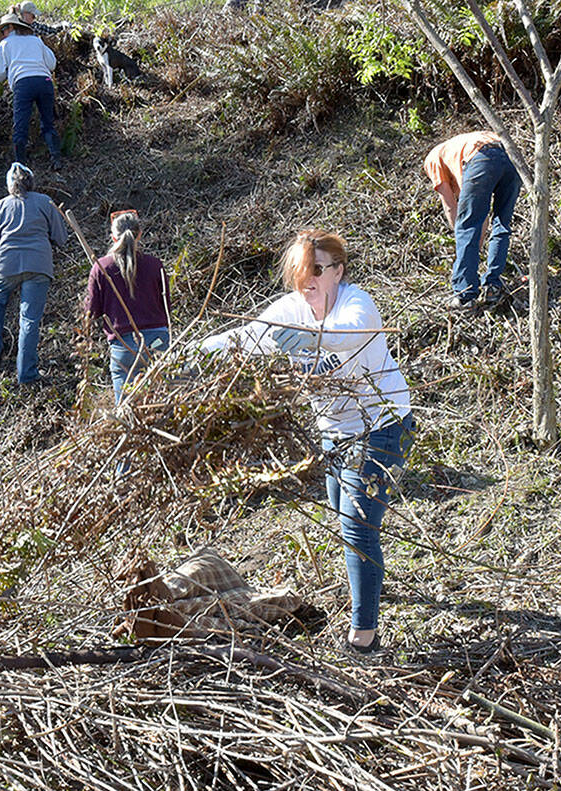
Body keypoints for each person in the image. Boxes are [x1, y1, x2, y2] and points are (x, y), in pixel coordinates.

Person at [200, 230, 413, 655]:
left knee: (357, 529)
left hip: (381, 425)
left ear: (338, 270)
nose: (308, 279)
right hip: (335, 433)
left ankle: (364, 637)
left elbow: (351, 335)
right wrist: (201, 351)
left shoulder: (358, 303)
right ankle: (368, 586)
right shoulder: (293, 309)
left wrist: (316, 340)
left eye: (317, 269)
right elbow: (249, 336)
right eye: (301, 271)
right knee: (343, 515)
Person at [0, 162, 68, 385]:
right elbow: (61, 237)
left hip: (6, 264)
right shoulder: (45, 202)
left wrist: (0, 257)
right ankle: (26, 373)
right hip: (38, 265)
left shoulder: (2, 205)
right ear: (31, 181)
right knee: (29, 319)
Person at [423, 131, 522, 311]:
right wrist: (474, 244)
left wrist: (463, 242)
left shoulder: (433, 159)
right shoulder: (459, 151)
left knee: (466, 227)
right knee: (502, 224)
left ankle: (464, 295)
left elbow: (451, 206)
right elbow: (479, 216)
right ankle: (493, 287)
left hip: (481, 158)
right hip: (511, 157)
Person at [84, 210, 171, 402]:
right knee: (163, 401)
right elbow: (167, 308)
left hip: (124, 345)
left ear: (113, 237)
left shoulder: (102, 268)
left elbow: (92, 312)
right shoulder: (156, 265)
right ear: (140, 234)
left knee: (125, 410)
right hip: (158, 341)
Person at [0, 10, 61, 169]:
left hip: (23, 84)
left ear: (9, 28)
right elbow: (52, 64)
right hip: (44, 81)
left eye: (3, 30)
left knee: (20, 126)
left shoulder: (5, 44)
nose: (2, 34)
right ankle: (56, 159)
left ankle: (20, 166)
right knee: (48, 123)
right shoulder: (35, 40)